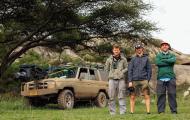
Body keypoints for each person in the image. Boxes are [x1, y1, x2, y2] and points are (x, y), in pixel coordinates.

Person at [128, 43, 152, 114]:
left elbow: (149, 70)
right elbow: (130, 70)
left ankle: (148, 112)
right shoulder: (133, 59)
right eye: (137, 49)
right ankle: (132, 112)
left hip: (144, 80)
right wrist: (130, 81)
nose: (139, 50)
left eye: (140, 48)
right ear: (136, 50)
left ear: (142, 49)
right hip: (134, 80)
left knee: (146, 95)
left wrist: (148, 80)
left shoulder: (146, 59)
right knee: (132, 96)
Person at [105, 44, 128, 115]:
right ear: (113, 50)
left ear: (119, 50)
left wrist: (122, 72)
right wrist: (111, 73)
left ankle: (122, 112)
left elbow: (126, 68)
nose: (116, 51)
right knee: (111, 96)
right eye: (115, 50)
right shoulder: (109, 59)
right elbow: (106, 69)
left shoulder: (123, 59)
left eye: (117, 50)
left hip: (121, 79)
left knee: (121, 96)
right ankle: (112, 112)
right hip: (112, 79)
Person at [155, 41, 177, 114]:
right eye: (163, 45)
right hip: (161, 78)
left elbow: (173, 61)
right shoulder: (158, 56)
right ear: (161, 47)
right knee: (161, 95)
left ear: (168, 47)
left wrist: (163, 60)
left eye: (166, 45)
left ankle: (174, 111)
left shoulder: (172, 55)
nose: (164, 46)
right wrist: (168, 61)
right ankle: (161, 111)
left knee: (172, 94)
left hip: (171, 77)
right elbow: (158, 63)